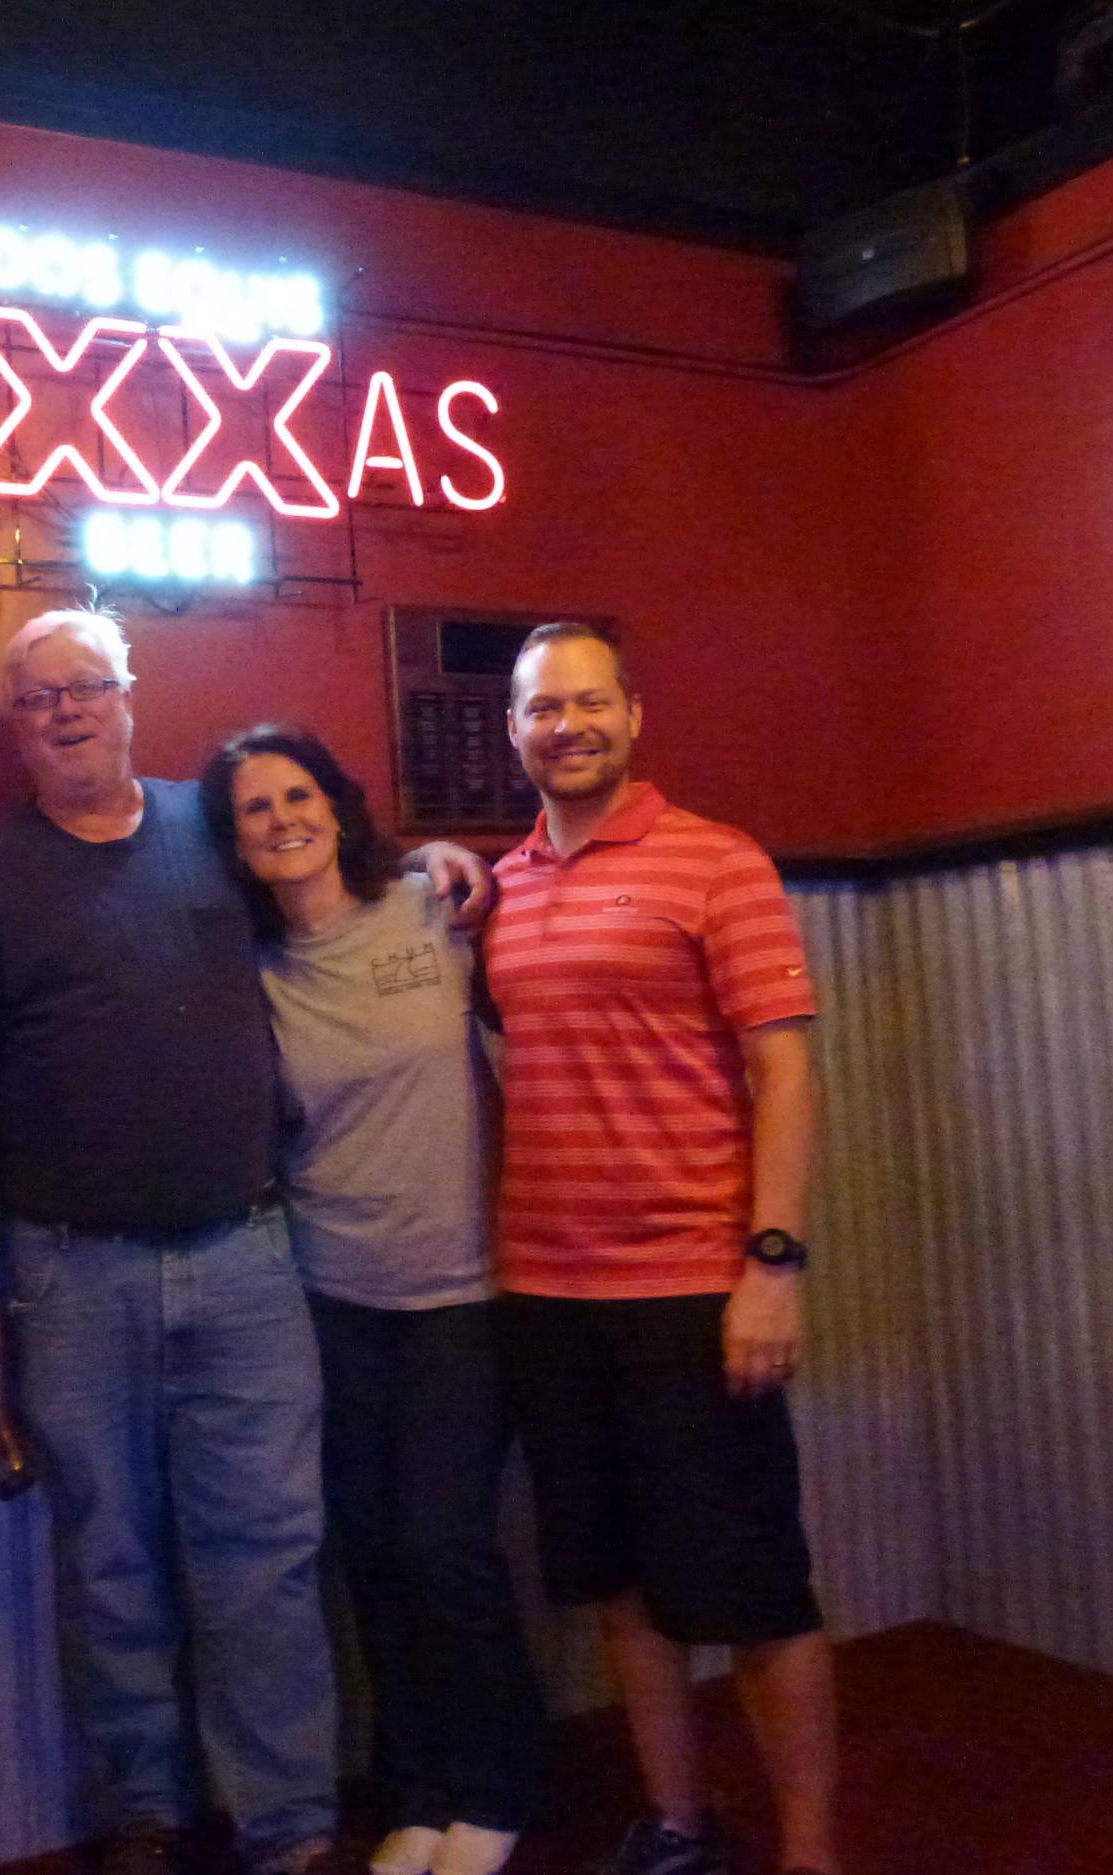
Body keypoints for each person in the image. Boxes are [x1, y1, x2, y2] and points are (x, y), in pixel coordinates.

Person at [0, 609, 488, 1875]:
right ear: (18, 725)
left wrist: (435, 858)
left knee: (266, 1558)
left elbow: (329, 876)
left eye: (85, 687)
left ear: (127, 693)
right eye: (36, 697)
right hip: (67, 1272)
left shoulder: (211, 836)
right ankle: (142, 1816)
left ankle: (287, 1828)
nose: (64, 711)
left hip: (249, 1258)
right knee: (108, 1563)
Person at [482, 623, 842, 1875]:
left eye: (587, 704)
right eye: (540, 709)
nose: (564, 726)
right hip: (540, 1293)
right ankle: (678, 1827)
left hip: (693, 1290)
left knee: (751, 1591)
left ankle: (807, 1850)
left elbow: (784, 1070)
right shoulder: (502, 883)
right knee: (621, 1589)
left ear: (633, 717)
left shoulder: (716, 862)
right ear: (513, 728)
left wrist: (773, 1265)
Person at [198, 725, 546, 1875]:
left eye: (298, 794)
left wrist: (451, 852)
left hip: (462, 1292)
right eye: (253, 808)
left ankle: (494, 1787)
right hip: (326, 1297)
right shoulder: (244, 973)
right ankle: (419, 1789)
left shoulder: (425, 908)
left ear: (337, 808)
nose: (281, 819)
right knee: (370, 1550)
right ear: (233, 842)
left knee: (444, 1545)